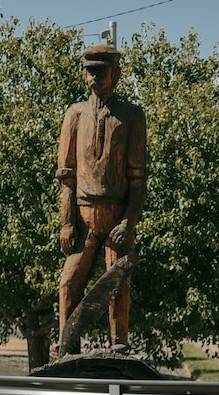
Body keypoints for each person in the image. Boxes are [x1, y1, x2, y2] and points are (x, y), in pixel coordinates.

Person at [56, 44, 148, 354]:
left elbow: (138, 182)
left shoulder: (132, 116)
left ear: (117, 74)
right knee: (69, 284)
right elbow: (67, 179)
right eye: (89, 70)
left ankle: (118, 346)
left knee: (117, 284)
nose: (94, 76)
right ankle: (67, 348)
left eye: (102, 70)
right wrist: (66, 224)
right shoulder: (75, 114)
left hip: (116, 217)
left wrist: (127, 222)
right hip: (83, 220)